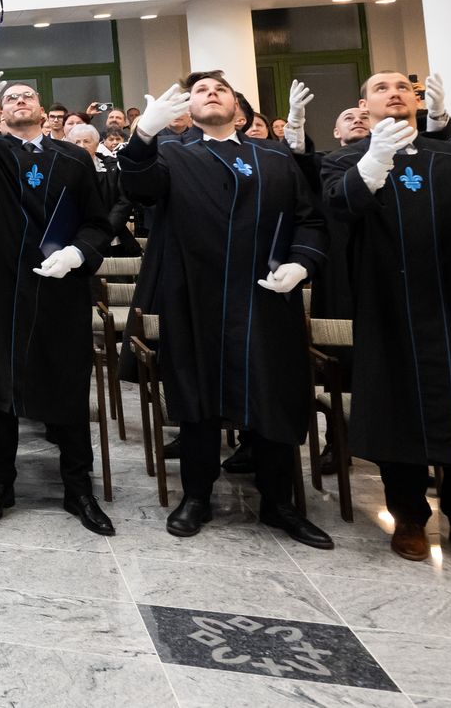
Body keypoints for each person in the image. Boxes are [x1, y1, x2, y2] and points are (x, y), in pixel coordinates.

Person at [116, 74, 333, 548]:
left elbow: (310, 219)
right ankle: (196, 496)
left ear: (239, 107)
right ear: (188, 110)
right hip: (196, 298)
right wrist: (144, 135)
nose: (210, 93)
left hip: (267, 298)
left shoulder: (274, 156)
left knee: (273, 397)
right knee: (197, 401)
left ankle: (279, 502)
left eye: (220, 89)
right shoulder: (171, 153)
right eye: (200, 90)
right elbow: (139, 188)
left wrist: (301, 263)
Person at [324, 71, 451, 570]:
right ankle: (409, 517)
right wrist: (372, 165)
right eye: (380, 87)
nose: (393, 92)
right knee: (397, 410)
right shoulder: (345, 160)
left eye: (402, 86)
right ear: (364, 106)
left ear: (416, 100)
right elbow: (338, 209)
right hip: (387, 308)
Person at [0, 9, 116, 534]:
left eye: (28, 97)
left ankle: (79, 489)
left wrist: (79, 255)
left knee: (67, 389)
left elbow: (98, 222)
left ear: (44, 111)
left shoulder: (73, 158)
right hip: (1, 291)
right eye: (11, 98)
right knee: (0, 394)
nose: (20, 102)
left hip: (61, 291)